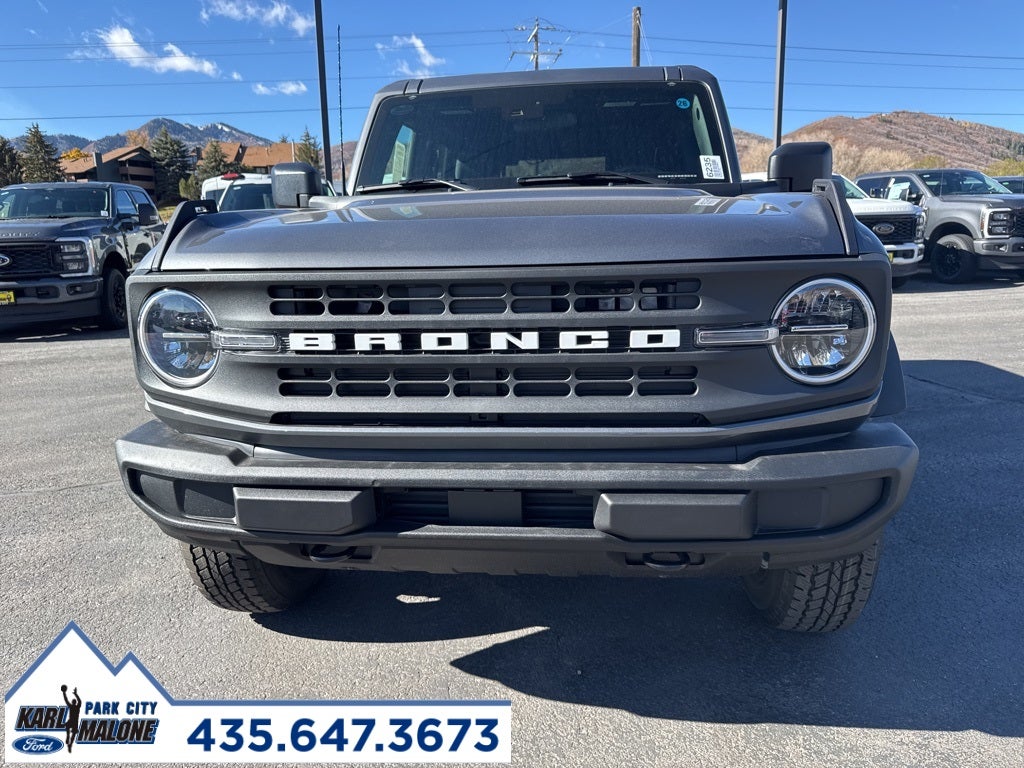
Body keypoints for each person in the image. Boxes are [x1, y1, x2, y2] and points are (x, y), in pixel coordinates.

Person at [61, 684, 81, 753]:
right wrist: (75, 694)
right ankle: (69, 740)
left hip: (73, 721)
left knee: (68, 727)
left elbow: (66, 700)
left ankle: (69, 740)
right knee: (72, 732)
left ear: (73, 702)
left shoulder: (73, 706)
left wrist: (64, 693)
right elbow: (79, 701)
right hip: (74, 722)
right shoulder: (76, 706)